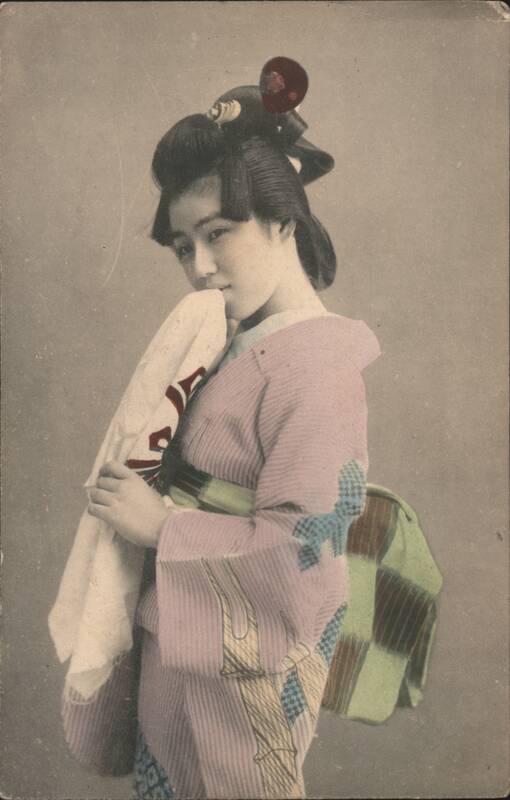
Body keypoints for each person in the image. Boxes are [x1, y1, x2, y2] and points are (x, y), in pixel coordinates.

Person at [87, 83, 380, 800]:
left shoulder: (320, 368)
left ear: (283, 222)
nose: (200, 267)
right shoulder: (231, 342)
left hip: (244, 674)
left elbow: (299, 552)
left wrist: (165, 527)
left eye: (219, 233)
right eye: (184, 246)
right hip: (181, 641)